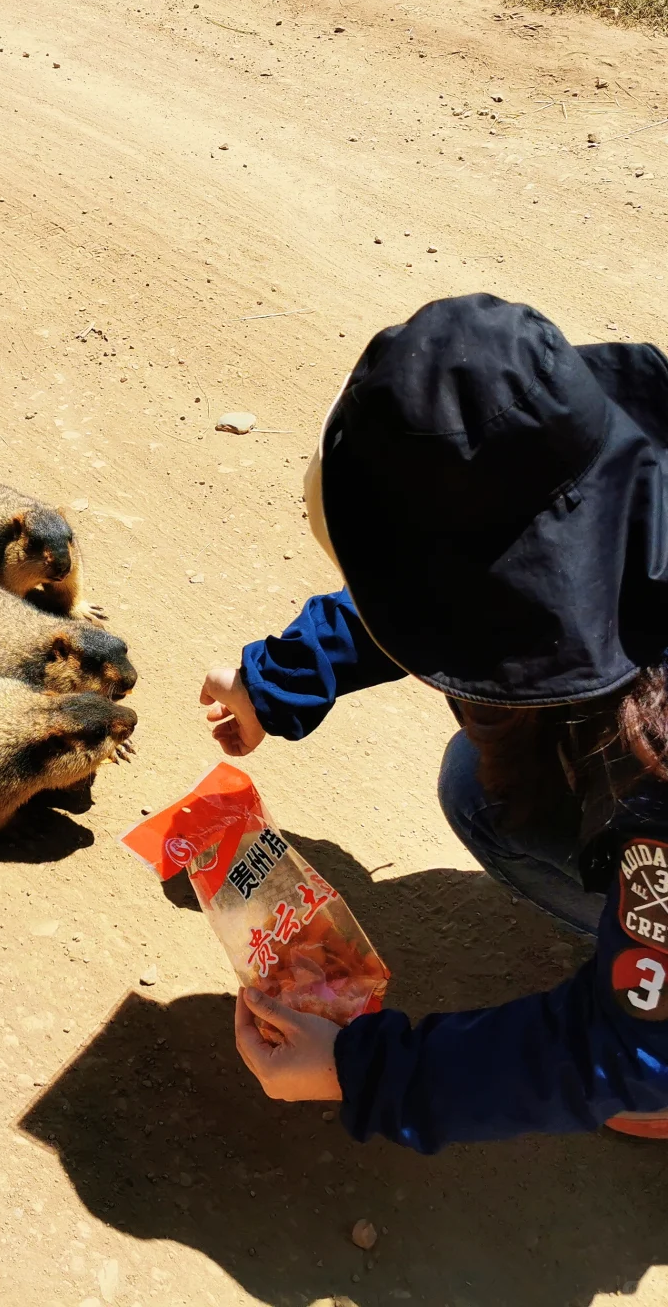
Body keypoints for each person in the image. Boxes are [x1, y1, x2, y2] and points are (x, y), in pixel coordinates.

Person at [200, 293, 668, 1151]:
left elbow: (629, 1048)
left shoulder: (658, 781)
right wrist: (286, 679)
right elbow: (476, 581)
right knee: (482, 787)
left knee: (645, 1045)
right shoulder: (626, 471)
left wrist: (368, 1070)